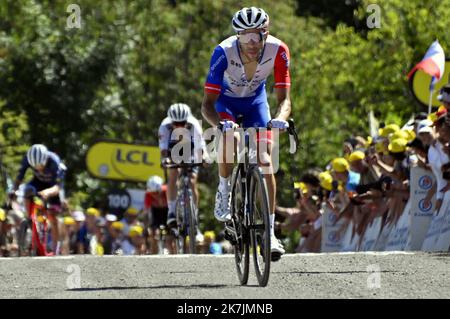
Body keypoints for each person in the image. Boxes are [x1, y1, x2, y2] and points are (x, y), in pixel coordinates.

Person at [201, 7, 291, 260]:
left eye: (256, 35)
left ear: (266, 33)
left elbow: (285, 99)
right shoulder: (223, 52)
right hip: (225, 104)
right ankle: (225, 188)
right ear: (237, 36)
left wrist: (279, 119)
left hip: (255, 103)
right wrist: (220, 125)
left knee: (265, 159)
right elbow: (207, 104)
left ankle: (270, 234)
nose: (251, 43)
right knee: (233, 138)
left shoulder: (278, 50)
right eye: (244, 36)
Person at [10, 144, 67, 254]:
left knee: (53, 215)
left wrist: (47, 192)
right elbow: (19, 177)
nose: (38, 169)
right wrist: (14, 190)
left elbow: (58, 187)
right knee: (27, 190)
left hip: (53, 186)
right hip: (38, 183)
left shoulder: (54, 162)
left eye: (41, 165)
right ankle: (30, 219)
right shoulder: (27, 158)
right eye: (35, 167)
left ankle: (56, 249)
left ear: (45, 159)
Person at [158, 103, 205, 227]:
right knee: (173, 174)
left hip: (191, 150)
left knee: (192, 181)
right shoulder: (164, 125)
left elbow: (200, 146)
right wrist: (165, 160)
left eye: (182, 123)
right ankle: (172, 212)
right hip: (173, 150)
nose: (179, 126)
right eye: (176, 123)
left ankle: (194, 213)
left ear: (187, 120)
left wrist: (203, 158)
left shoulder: (194, 124)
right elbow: (163, 148)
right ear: (171, 121)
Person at [144, 175, 175, 254]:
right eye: (152, 193)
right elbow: (146, 212)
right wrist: (147, 227)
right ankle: (153, 257)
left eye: (157, 192)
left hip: (167, 212)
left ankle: (174, 256)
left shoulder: (167, 190)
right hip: (156, 213)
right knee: (154, 236)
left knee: (169, 239)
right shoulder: (148, 194)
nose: (155, 195)